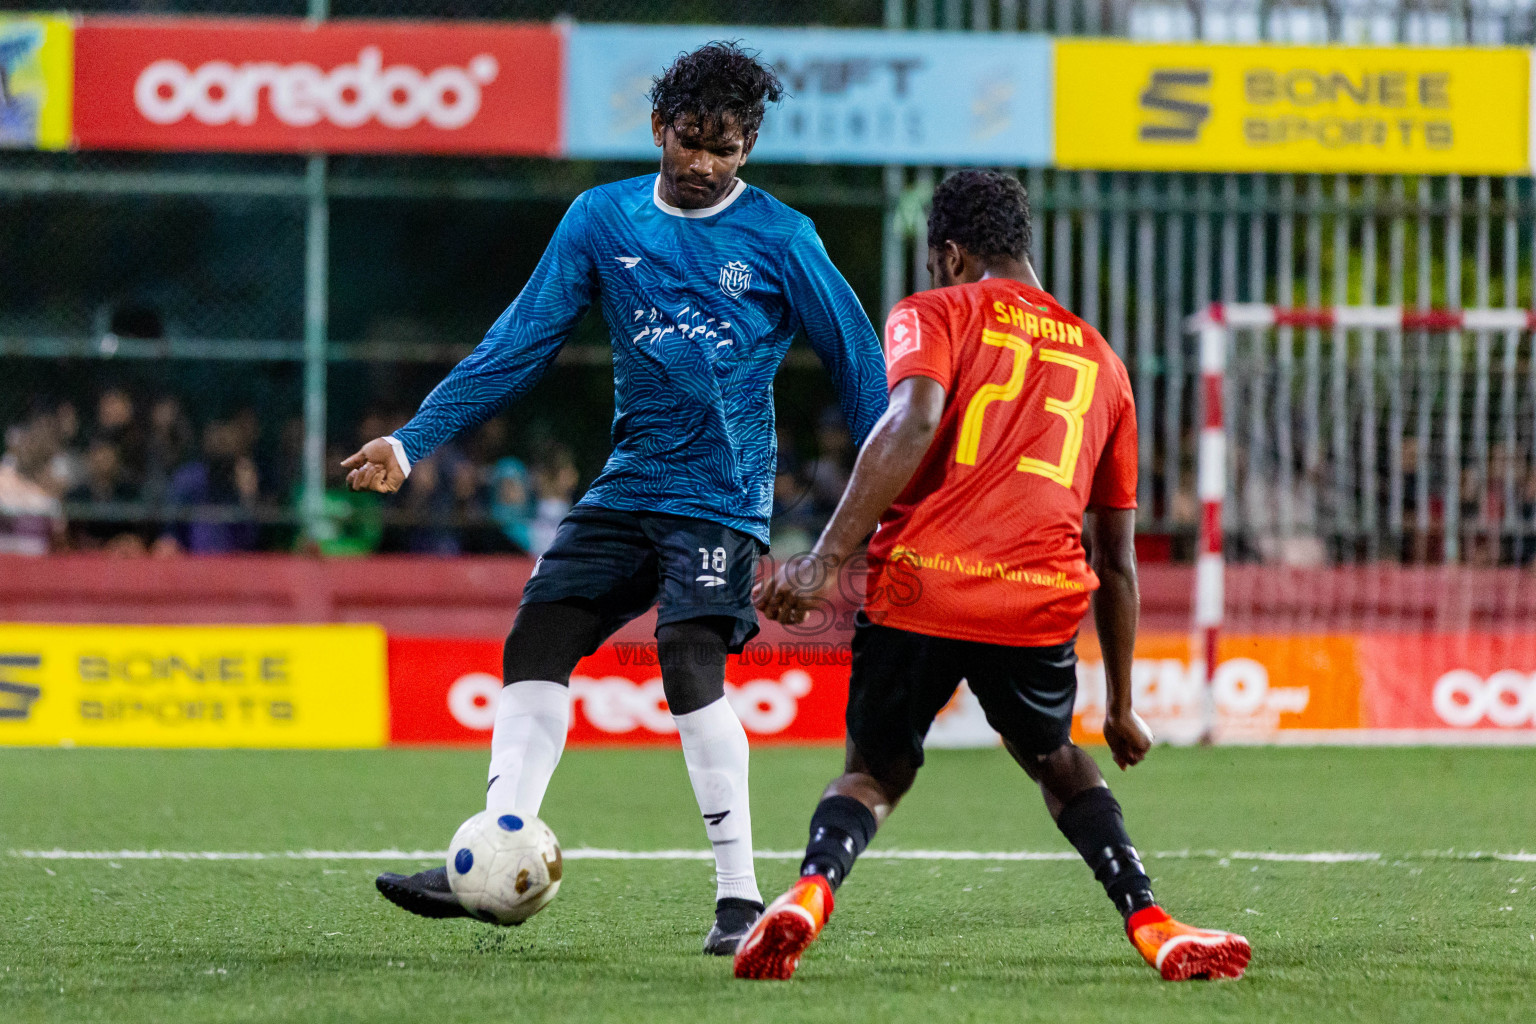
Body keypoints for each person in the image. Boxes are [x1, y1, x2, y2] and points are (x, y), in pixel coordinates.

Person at [343, 42, 887, 953]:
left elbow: (861, 367)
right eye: (691, 140)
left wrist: (881, 506)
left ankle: (739, 899)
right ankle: (494, 841)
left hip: (720, 499)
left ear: (748, 147)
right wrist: (411, 440)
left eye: (726, 147)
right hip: (628, 484)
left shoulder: (784, 238)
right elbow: (517, 343)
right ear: (658, 129)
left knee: (686, 660)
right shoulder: (602, 219)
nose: (706, 162)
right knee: (536, 640)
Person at [738, 171, 1250, 982]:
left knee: (873, 772)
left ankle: (809, 891)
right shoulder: (1104, 364)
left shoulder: (933, 311)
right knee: (1056, 759)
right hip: (1036, 599)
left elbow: (911, 421)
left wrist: (821, 560)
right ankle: (1150, 918)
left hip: (921, 586)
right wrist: (1120, 704)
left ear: (950, 253)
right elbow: (1116, 559)